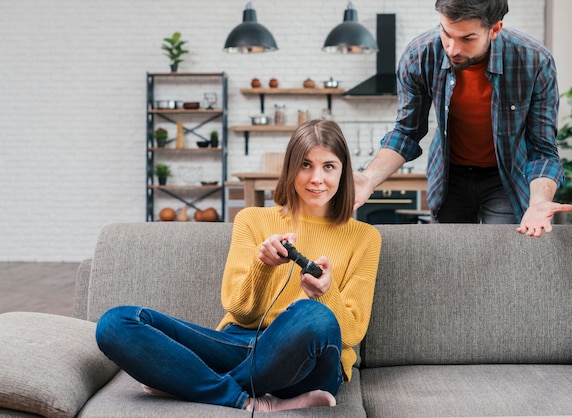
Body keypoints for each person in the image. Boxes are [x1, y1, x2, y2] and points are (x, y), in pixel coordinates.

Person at [95, 119, 382, 412]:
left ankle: (192, 384)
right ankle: (244, 400)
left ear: (344, 171)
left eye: (329, 166)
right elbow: (240, 309)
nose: (316, 178)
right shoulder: (251, 220)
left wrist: (325, 293)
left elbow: (352, 333)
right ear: (290, 168)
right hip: (237, 345)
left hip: (308, 364)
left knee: (313, 314)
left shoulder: (365, 237)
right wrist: (263, 267)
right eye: (305, 165)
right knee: (115, 323)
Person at [353, 0, 572, 237]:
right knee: (450, 260)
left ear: (495, 29)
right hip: (450, 176)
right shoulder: (419, 55)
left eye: (467, 39)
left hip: (504, 176)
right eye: (446, 33)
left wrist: (538, 201)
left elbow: (542, 150)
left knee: (502, 255)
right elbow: (407, 133)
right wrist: (368, 179)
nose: (452, 49)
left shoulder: (534, 61)